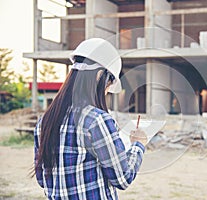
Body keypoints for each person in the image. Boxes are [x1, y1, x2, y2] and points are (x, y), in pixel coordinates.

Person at [33, 38, 147, 199]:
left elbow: (42, 179)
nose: (107, 91)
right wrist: (138, 144)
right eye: (109, 83)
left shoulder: (44, 121)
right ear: (100, 75)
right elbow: (123, 178)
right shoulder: (97, 120)